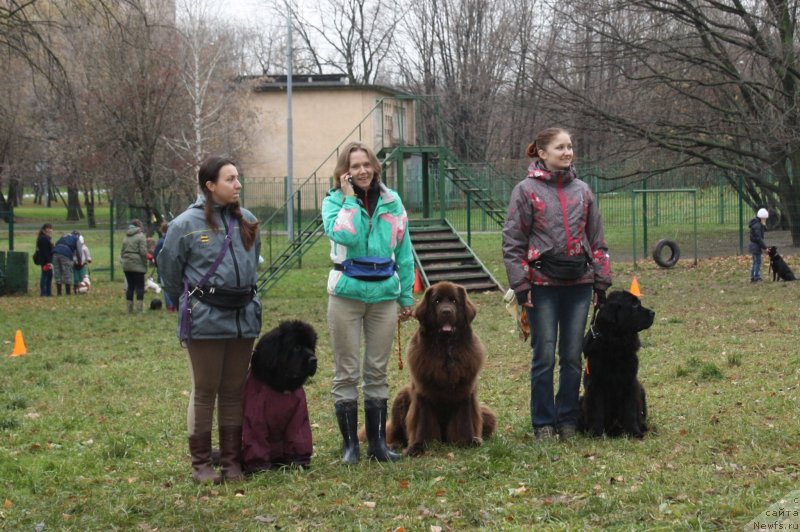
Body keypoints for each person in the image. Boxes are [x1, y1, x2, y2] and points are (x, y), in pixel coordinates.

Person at [502, 127, 612, 441]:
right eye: (560, 147)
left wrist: (601, 283)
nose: (567, 152)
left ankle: (567, 420)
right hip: (541, 286)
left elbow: (598, 241)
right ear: (542, 152)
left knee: (573, 355)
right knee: (544, 355)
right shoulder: (525, 191)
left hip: (579, 284)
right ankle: (543, 423)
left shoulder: (584, 191)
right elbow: (513, 241)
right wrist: (521, 285)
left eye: (570, 147)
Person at [158, 156, 261, 483]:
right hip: (204, 320)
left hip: (243, 317)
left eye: (238, 177)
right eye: (230, 179)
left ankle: (231, 462)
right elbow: (169, 272)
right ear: (210, 185)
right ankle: (201, 466)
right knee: (205, 391)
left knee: (233, 391)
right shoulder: (184, 225)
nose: (238, 184)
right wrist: (190, 304)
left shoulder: (247, 219)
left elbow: (252, 266)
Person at [321, 141, 415, 464]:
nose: (361, 171)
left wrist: (406, 297)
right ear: (344, 173)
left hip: (384, 296)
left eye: (366, 164)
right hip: (346, 293)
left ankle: (378, 445)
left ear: (375, 167)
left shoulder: (393, 202)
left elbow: (404, 250)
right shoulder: (333, 203)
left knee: (376, 370)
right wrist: (349, 201)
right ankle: (351, 447)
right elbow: (344, 236)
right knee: (346, 371)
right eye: (354, 166)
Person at [120, 219, 149, 313]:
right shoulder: (141, 237)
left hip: (127, 264)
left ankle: (129, 309)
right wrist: (145, 263)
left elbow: (122, 252)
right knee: (140, 286)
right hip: (138, 264)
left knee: (130, 286)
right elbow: (143, 252)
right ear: (139, 227)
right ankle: (139, 309)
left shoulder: (125, 237)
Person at [153, 222, 176, 311]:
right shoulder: (174, 240)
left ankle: (170, 305)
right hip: (174, 266)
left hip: (164, 267)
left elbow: (156, 255)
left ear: (162, 230)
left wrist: (157, 265)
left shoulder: (161, 241)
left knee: (166, 287)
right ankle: (175, 304)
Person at [52, 230, 80, 296]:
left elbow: (56, 244)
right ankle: (68, 293)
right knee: (67, 272)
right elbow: (78, 251)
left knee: (57, 272)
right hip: (65, 254)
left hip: (55, 254)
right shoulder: (77, 239)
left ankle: (59, 293)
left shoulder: (63, 237)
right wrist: (79, 261)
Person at [748, 207, 769, 283]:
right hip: (755, 246)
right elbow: (759, 239)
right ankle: (756, 277)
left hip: (753, 246)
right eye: (765, 218)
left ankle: (753, 277)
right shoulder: (757, 226)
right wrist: (765, 248)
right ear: (762, 218)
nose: (766, 220)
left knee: (755, 262)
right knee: (758, 262)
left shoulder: (756, 224)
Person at [36, 223, 54, 297]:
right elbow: (45, 251)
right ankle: (44, 293)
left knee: (49, 276)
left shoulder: (46, 238)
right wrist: (49, 261)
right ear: (44, 229)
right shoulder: (43, 238)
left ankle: (48, 292)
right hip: (45, 260)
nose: (50, 230)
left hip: (47, 260)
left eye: (51, 228)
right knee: (45, 276)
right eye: (48, 228)